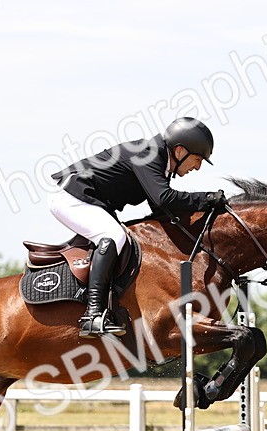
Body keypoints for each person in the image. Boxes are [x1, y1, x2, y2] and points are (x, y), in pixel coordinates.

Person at [48, 117, 227, 338]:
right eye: (197, 159)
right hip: (71, 196)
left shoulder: (159, 161)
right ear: (180, 151)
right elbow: (164, 199)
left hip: (90, 199)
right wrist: (207, 198)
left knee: (123, 237)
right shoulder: (149, 154)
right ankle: (92, 315)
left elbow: (163, 212)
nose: (198, 167)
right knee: (113, 236)